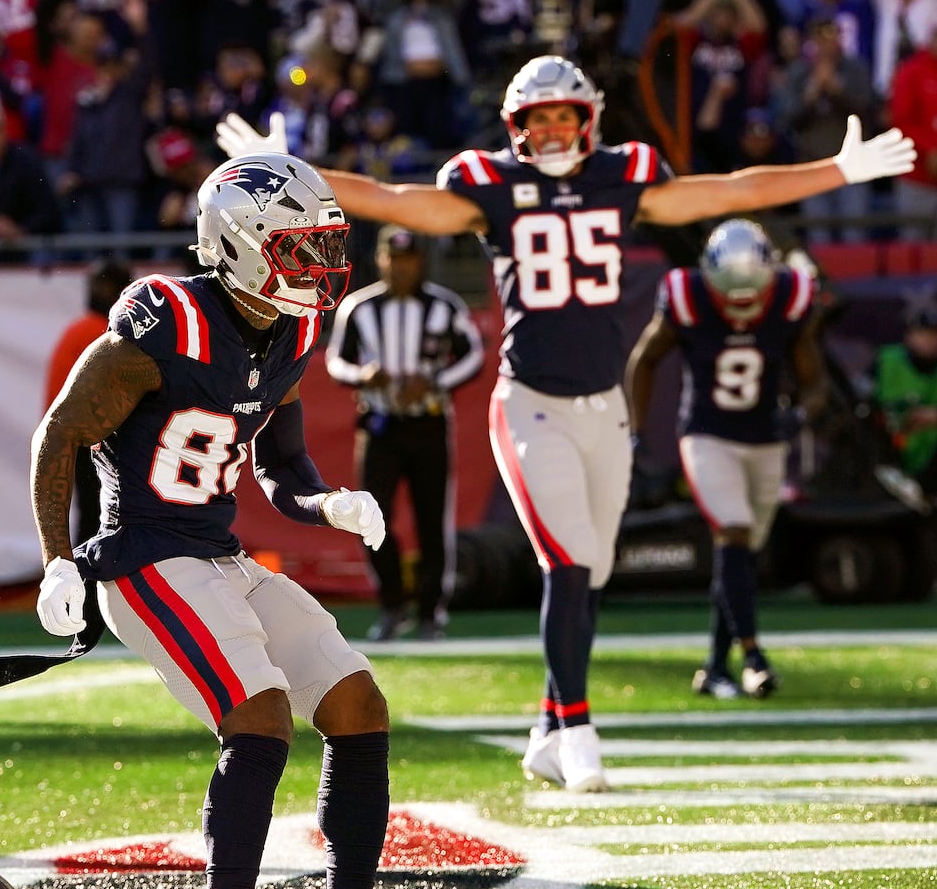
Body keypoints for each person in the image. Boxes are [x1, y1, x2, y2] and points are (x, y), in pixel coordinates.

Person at [216, 54, 915, 793]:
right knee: (568, 562)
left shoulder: (624, 175)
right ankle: (578, 726)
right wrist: (283, 168)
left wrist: (834, 171)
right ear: (516, 127)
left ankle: (549, 726)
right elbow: (393, 199)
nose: (550, 130)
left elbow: (728, 191)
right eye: (537, 118)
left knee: (593, 569)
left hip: (604, 406)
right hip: (530, 402)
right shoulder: (492, 186)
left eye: (561, 115)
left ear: (588, 118)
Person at [31, 152, 392, 889]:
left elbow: (281, 466)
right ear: (244, 245)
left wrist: (328, 502)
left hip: (216, 552)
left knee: (358, 702)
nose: (323, 263)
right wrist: (56, 557)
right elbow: (60, 430)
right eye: (303, 247)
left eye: (327, 245)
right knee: (259, 715)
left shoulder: (291, 331)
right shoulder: (171, 321)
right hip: (144, 556)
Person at [626, 219, 826, 701]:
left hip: (765, 439)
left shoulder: (790, 296)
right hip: (708, 434)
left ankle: (715, 667)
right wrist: (633, 431)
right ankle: (754, 657)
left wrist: (798, 414)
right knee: (733, 530)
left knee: (738, 553)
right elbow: (645, 358)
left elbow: (813, 377)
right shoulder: (686, 296)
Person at [325, 224, 484, 641]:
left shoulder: (444, 306)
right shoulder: (359, 307)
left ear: (421, 261)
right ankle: (392, 605)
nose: (400, 267)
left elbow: (473, 356)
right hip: (379, 427)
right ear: (379, 260)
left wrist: (434, 382)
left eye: (408, 259)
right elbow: (336, 362)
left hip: (428, 422)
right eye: (392, 259)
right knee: (373, 517)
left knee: (433, 520)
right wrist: (364, 375)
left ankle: (431, 612)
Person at [42, 260, 133, 545]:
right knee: (101, 513)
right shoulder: (105, 335)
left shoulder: (78, 331)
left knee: (91, 512)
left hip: (75, 437)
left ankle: (86, 582)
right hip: (93, 438)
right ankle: (91, 583)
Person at [872, 298, 937, 495]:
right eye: (922, 333)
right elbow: (862, 401)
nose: (928, 340)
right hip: (890, 453)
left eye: (933, 334)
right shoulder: (888, 360)